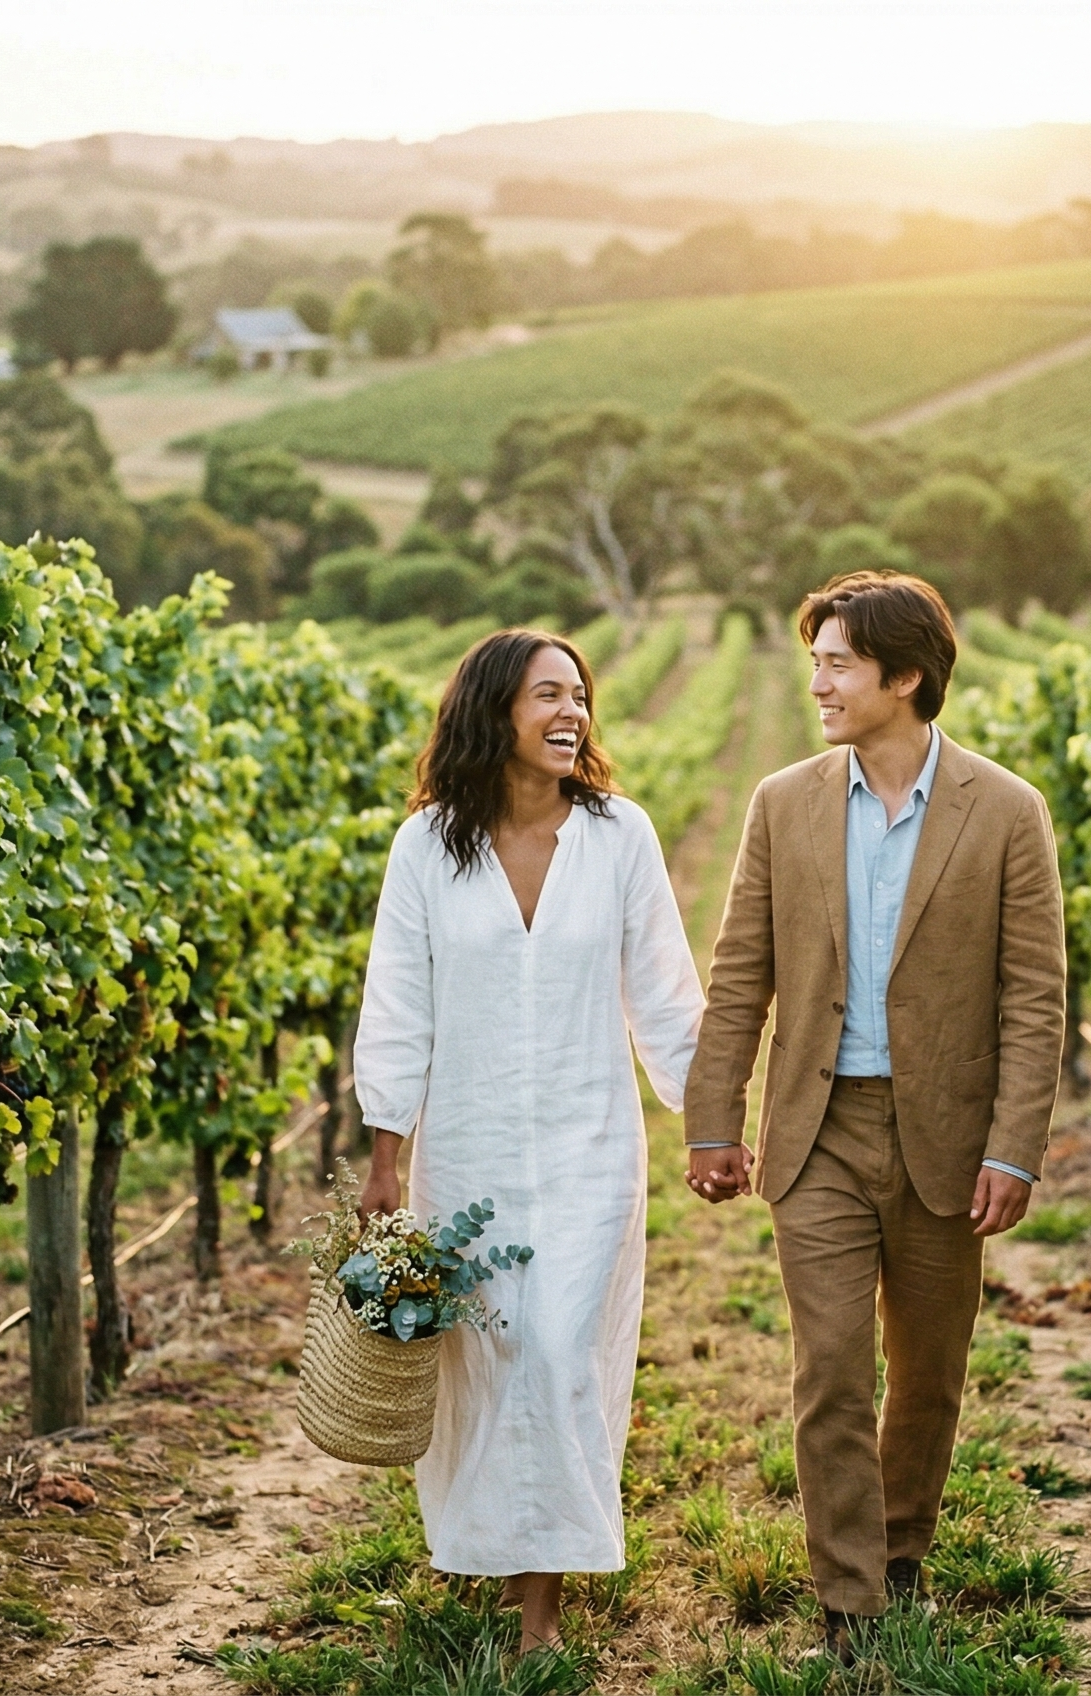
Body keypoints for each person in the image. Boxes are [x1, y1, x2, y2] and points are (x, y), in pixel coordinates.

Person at [682, 571, 1065, 1657]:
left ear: (905, 676)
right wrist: (714, 1118)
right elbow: (739, 972)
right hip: (817, 1133)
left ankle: (901, 1556)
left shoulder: (1005, 810)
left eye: (836, 661)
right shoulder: (780, 801)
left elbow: (1034, 997)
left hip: (946, 1135)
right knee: (832, 1369)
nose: (816, 682)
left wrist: (1013, 1147)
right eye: (814, 661)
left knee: (931, 1373)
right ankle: (848, 1603)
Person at [352, 628, 705, 1655]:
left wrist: (710, 1122)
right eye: (548, 694)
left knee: (557, 1348)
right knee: (485, 1351)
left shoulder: (618, 833)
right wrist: (386, 1155)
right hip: (467, 1147)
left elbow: (664, 990)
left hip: (591, 1143)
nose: (571, 713)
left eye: (580, 696)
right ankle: (496, 1553)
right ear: (493, 708)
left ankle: (542, 1605)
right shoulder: (426, 846)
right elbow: (396, 1004)